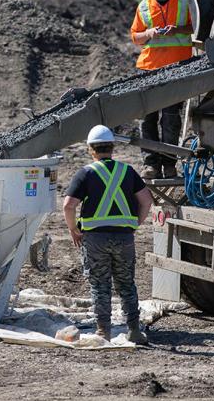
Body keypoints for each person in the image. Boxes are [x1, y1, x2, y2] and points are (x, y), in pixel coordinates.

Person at [62, 125, 154, 344]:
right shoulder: (128, 172)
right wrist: (134, 224)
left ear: (90, 149)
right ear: (112, 148)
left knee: (100, 285)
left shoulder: (85, 173)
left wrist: (73, 229)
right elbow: (147, 201)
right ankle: (134, 331)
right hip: (124, 238)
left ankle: (103, 332)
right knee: (126, 284)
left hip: (95, 240)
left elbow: (68, 205)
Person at [130, 0, 194, 179]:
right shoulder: (145, 5)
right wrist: (148, 34)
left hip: (177, 69)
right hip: (148, 69)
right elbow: (135, 37)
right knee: (147, 119)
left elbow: (197, 27)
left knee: (170, 119)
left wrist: (177, 29)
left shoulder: (185, 0)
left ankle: (168, 165)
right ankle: (151, 164)